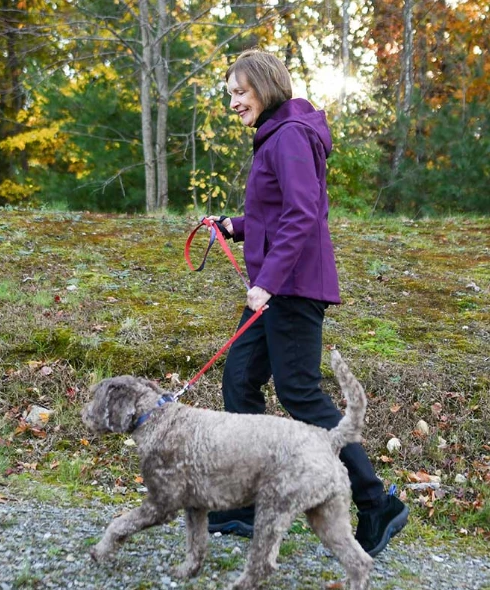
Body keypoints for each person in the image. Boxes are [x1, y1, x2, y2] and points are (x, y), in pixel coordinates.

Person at [204, 48, 408, 557]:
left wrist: (268, 281)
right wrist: (235, 226)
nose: (233, 102)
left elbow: (303, 215)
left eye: (239, 91)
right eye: (230, 92)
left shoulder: (291, 135)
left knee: (300, 393)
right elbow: (277, 216)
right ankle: (247, 504)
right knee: (240, 381)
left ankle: (376, 501)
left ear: (266, 87)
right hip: (277, 289)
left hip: (290, 290)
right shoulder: (278, 133)